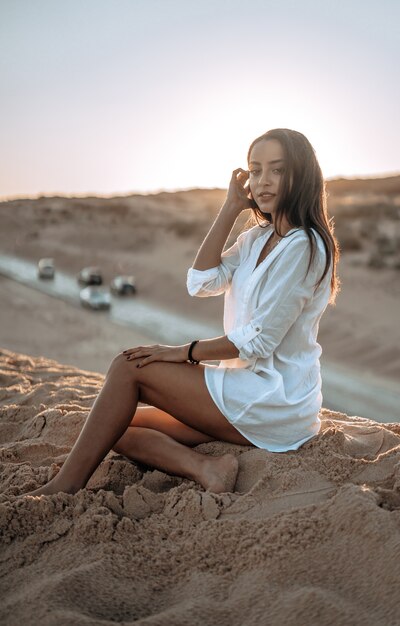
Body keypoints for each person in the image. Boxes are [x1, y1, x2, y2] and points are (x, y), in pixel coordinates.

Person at [26, 128, 340, 498]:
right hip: (242, 394)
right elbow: (201, 281)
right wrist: (229, 208)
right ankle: (206, 467)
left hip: (274, 401)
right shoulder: (257, 239)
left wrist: (182, 353)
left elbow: (259, 341)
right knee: (116, 424)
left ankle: (65, 485)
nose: (263, 181)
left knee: (128, 367)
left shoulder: (305, 245)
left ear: (301, 174)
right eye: (255, 171)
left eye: (277, 170)